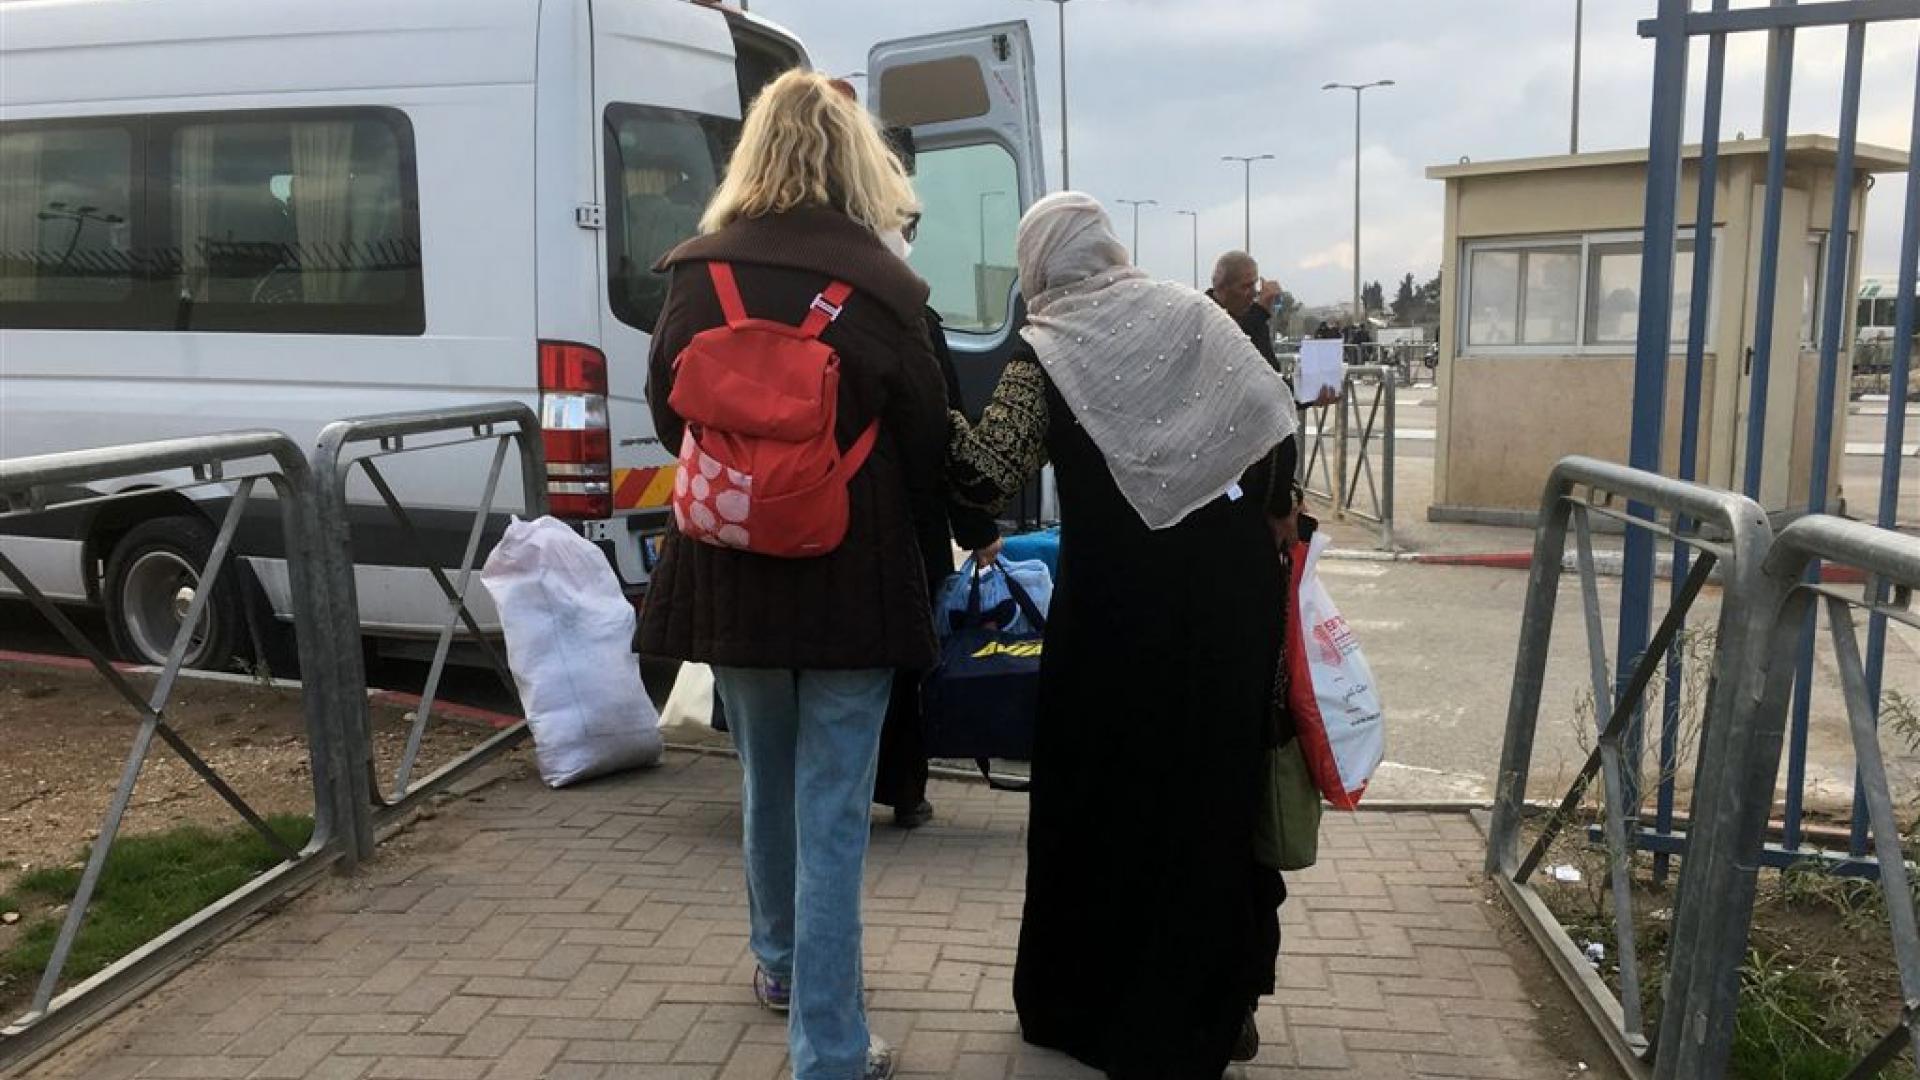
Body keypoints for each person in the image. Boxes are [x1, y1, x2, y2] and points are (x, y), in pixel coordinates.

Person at [638, 69, 950, 1080]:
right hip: (849, 582)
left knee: (765, 778)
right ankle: (830, 1046)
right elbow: (927, 440)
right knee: (833, 808)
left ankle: (777, 963)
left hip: (731, 566)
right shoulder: (889, 291)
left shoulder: (695, 274)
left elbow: (668, 414)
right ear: (861, 160)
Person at [946, 192, 1299, 1078]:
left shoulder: (1051, 348)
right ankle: (1218, 1005)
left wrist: (926, 408)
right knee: (1210, 793)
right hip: (1224, 611)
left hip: (1114, 618)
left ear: (1040, 268)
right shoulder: (1191, 314)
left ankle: (1088, 1005)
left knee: (1104, 793)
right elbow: (1273, 419)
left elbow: (990, 473)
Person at [1211, 251, 1337, 408]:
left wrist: (1309, 394)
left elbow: (1271, 384)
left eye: (1254, 285)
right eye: (1245, 287)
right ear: (1222, 288)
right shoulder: (1207, 318)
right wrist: (1260, 312)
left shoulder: (1253, 318)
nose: (1252, 294)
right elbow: (1232, 350)